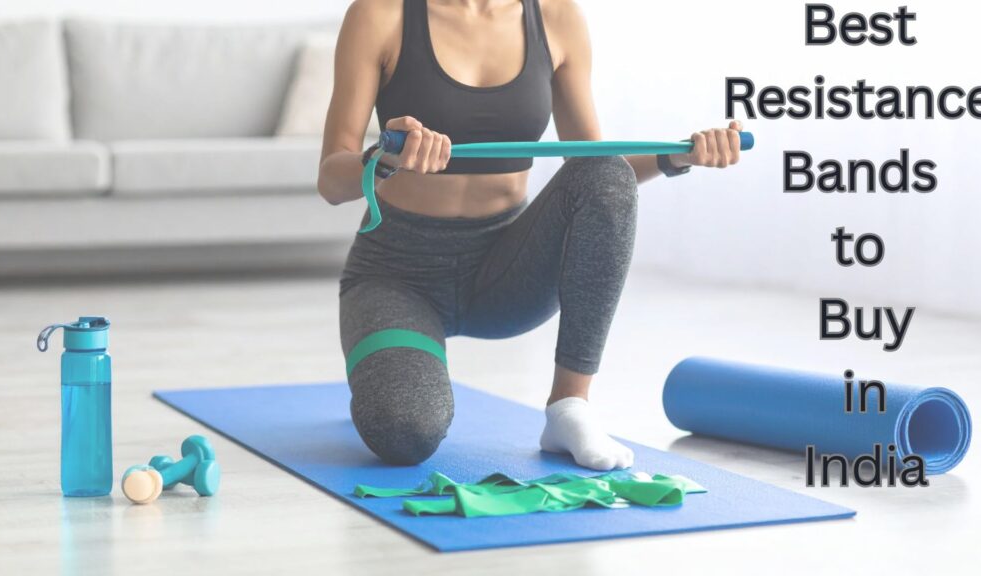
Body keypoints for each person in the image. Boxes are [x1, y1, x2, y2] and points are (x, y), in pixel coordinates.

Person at [318, 0, 743, 470]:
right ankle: (385, 369)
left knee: (601, 169)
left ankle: (570, 406)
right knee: (404, 431)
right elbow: (331, 181)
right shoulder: (381, 13)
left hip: (507, 270)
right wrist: (383, 159)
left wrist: (679, 156)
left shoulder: (557, 18)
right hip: (396, 276)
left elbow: (600, 173)